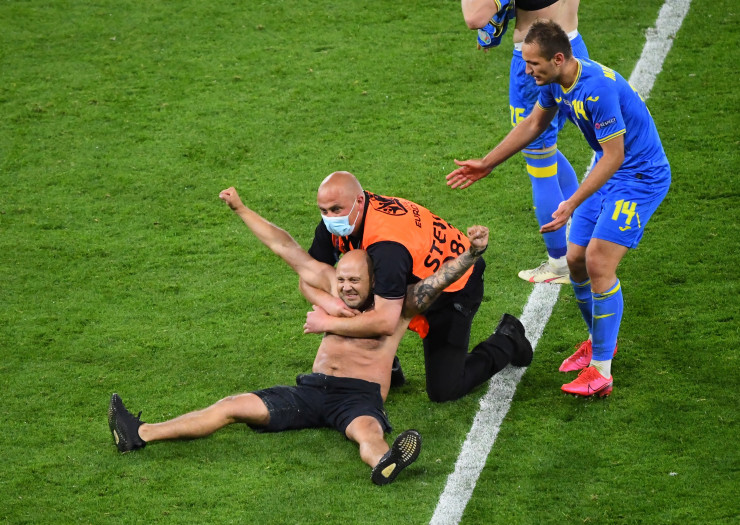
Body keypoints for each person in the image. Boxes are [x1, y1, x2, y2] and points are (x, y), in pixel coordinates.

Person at [108, 187, 499, 485]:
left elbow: (439, 280)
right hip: (311, 390)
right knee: (231, 405)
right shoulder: (336, 290)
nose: (345, 287)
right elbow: (285, 248)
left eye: (354, 281)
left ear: (375, 281)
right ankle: (139, 433)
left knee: (368, 432)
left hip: (358, 396)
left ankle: (385, 462)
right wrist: (242, 209)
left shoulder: (397, 307)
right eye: (341, 278)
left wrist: (470, 254)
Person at [447, 20, 671, 397]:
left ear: (557, 59)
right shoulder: (556, 80)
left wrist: (572, 202)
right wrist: (487, 163)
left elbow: (614, 156)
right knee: (576, 260)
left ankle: (601, 371)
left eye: (533, 63)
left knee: (598, 262)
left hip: (639, 177)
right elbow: (535, 123)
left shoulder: (596, 90)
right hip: (611, 172)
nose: (526, 70)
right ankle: (599, 342)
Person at [301, 171, 533, 403]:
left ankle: (508, 338)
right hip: (411, 276)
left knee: (445, 389)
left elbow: (386, 321)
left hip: (454, 289)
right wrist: (334, 304)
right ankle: (387, 366)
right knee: (351, 289)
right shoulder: (344, 219)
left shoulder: (387, 247)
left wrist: (327, 322)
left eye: (335, 210)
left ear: (359, 201)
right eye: (324, 211)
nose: (330, 218)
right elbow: (309, 277)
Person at [460, 0, 588, 284]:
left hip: (536, 62)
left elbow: (474, 17)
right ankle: (583, 239)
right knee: (546, 150)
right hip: (572, 49)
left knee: (539, 160)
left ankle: (560, 264)